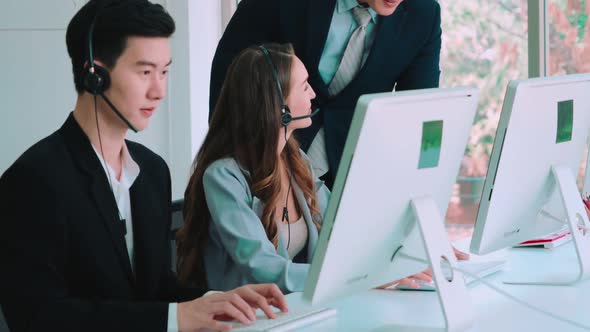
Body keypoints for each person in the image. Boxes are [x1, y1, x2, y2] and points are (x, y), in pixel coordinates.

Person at [0, 1, 286, 331]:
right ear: (95, 75)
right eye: (145, 72)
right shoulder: (33, 180)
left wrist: (221, 301)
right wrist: (173, 318)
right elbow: (38, 316)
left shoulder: (151, 172)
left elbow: (154, 289)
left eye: (165, 72)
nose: (159, 91)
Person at [177, 43, 435, 294]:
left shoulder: (294, 159)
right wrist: (357, 276)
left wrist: (404, 252)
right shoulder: (223, 177)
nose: (313, 94)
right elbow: (263, 268)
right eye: (304, 87)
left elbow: (341, 227)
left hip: (287, 312)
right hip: (242, 320)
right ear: (278, 106)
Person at [209, 0, 442, 188]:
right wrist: (236, 166)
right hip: (263, 166)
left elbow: (420, 115)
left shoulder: (424, 15)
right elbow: (229, 72)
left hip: (351, 177)